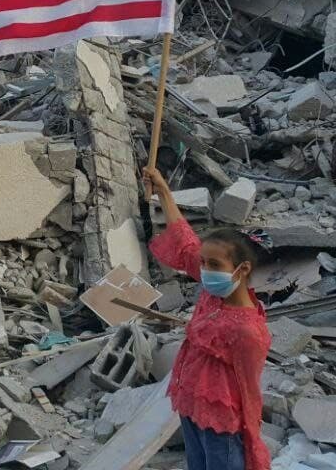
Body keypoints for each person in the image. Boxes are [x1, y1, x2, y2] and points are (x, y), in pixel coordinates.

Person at [143, 167, 270, 470]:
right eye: (203, 263)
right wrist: (163, 191)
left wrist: (252, 439)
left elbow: (249, 390)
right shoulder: (213, 294)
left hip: (222, 425)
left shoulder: (247, 330)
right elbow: (185, 240)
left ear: (242, 270)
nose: (204, 269)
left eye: (213, 264)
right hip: (191, 406)